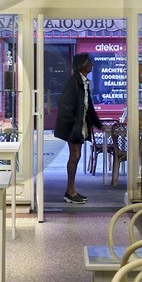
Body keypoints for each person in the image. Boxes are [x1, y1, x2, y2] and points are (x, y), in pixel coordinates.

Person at [54, 53, 102, 204]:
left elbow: (89, 107)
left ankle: (71, 190)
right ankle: (70, 192)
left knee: (76, 156)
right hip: (74, 127)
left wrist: (98, 124)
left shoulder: (83, 82)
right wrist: (74, 123)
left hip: (79, 126)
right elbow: (64, 104)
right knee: (74, 156)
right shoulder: (74, 81)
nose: (92, 65)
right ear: (82, 64)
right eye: (90, 62)